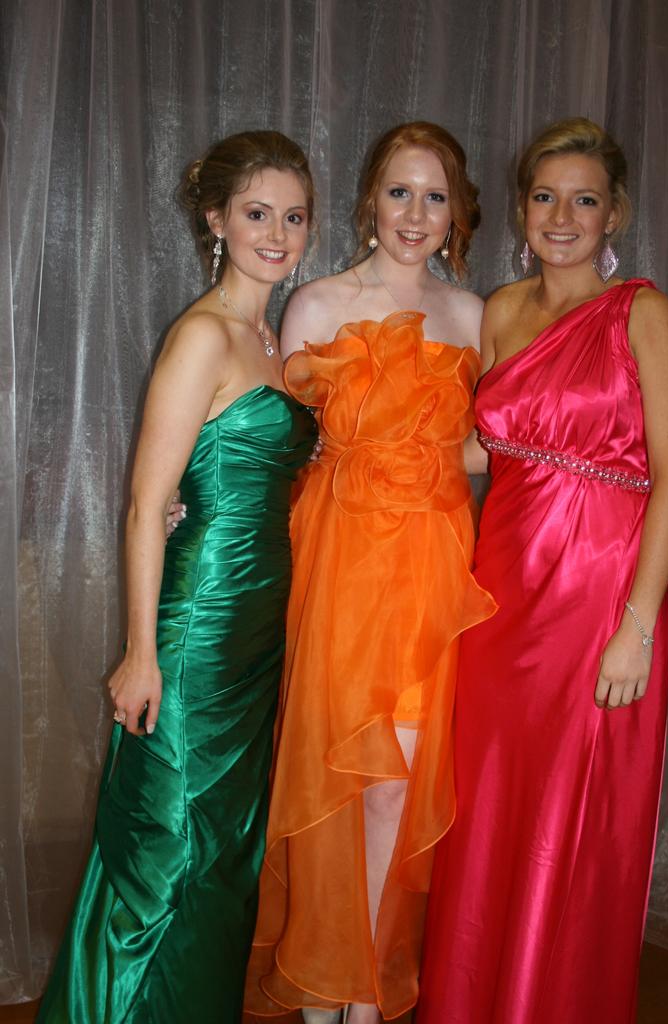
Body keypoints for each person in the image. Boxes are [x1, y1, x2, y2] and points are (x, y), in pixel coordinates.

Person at [36, 131, 317, 1024]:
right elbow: (142, 505)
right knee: (165, 852)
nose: (278, 233)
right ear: (216, 222)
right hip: (194, 631)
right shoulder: (203, 336)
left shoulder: (272, 338)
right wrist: (141, 656)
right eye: (257, 213)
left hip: (256, 637)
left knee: (222, 855)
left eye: (295, 216)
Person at [417, 117, 668, 1024]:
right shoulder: (499, 310)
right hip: (501, 600)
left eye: (584, 199)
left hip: (598, 606)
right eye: (545, 196)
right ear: (523, 210)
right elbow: (471, 453)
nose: (562, 215)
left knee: (571, 830)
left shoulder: (642, 312)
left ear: (614, 213)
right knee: (491, 813)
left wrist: (637, 628)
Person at [243, 123, 497, 1024]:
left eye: (434, 196)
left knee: (397, 786)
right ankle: (321, 991)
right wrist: (181, 494)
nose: (415, 214)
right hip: (341, 562)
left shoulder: (475, 319)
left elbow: (489, 449)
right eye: (399, 191)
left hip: (430, 567)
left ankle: (363, 995)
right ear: (369, 200)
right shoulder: (314, 306)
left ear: (457, 212)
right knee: (331, 782)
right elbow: (261, 436)